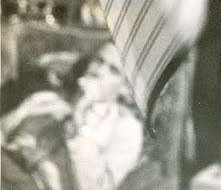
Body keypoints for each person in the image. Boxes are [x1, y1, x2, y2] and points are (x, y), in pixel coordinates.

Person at [1, 43, 143, 190]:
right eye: (99, 60)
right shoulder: (47, 99)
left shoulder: (126, 129)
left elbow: (93, 187)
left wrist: (79, 117)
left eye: (113, 70)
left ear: (125, 87)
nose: (99, 71)